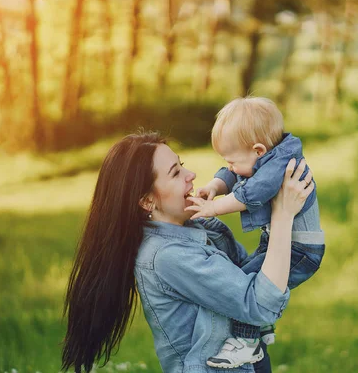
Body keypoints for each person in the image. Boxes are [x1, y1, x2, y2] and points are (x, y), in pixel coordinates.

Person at [61, 131, 315, 373]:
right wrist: (283, 216)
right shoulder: (167, 257)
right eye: (175, 173)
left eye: (182, 165)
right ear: (147, 201)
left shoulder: (198, 227)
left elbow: (250, 278)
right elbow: (261, 304)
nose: (191, 175)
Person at [188, 97, 325, 369]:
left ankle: (247, 343)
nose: (229, 166)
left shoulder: (280, 165)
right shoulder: (265, 154)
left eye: (230, 160)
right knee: (247, 274)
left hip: (301, 250)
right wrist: (215, 186)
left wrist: (213, 208)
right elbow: (235, 173)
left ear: (259, 150)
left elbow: (252, 192)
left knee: (248, 283)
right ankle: (262, 325)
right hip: (278, 240)